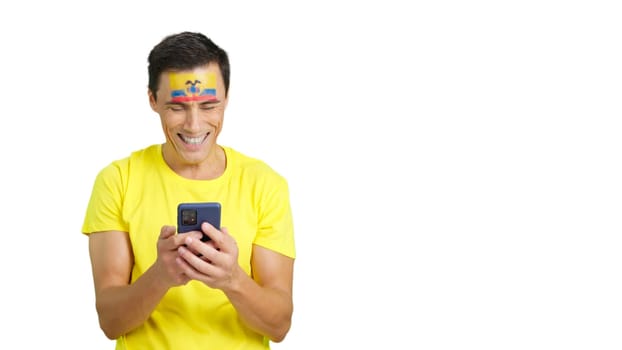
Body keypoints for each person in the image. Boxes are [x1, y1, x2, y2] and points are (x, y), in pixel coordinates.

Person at [81, 31, 296, 349]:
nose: (194, 125)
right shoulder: (116, 180)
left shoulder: (266, 185)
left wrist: (232, 279)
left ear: (226, 98)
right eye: (177, 107)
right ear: (153, 100)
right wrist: (160, 276)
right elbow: (110, 322)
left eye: (209, 105)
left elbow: (279, 326)